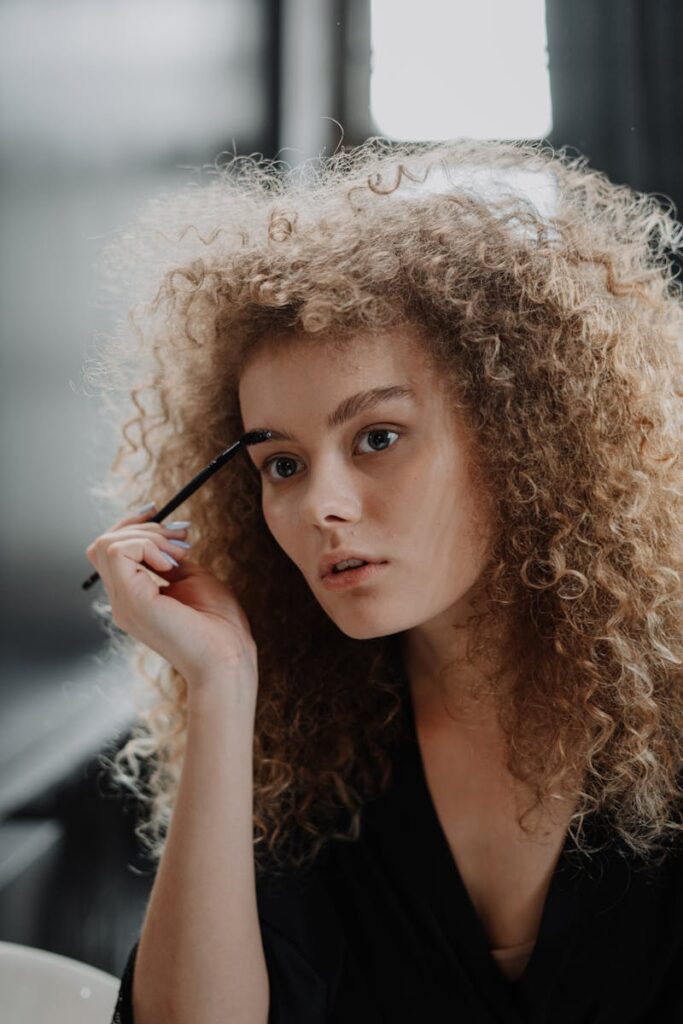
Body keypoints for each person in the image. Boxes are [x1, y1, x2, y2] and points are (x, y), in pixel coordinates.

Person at [83, 137, 683, 1023]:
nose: (320, 504)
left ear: (517, 435)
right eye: (281, 464)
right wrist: (221, 685)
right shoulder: (314, 741)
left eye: (376, 438)